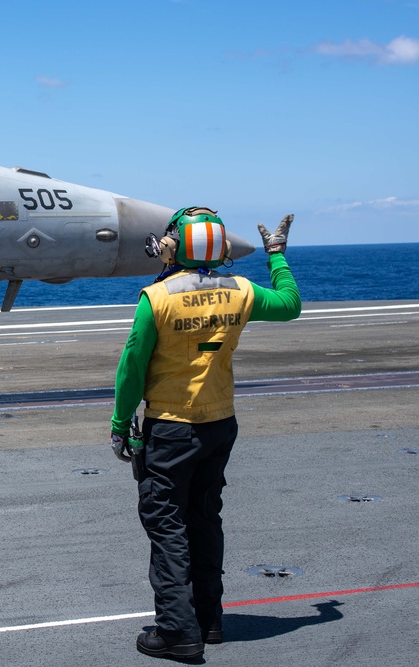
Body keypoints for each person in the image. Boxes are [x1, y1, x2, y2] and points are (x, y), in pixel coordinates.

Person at [110, 207, 301, 660]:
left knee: (167, 525)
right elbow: (289, 305)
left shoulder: (157, 298)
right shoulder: (241, 291)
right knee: (204, 519)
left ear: (176, 245)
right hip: (220, 425)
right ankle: (209, 621)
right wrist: (276, 256)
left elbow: (132, 367)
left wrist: (121, 424)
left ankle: (179, 633)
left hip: (171, 429)